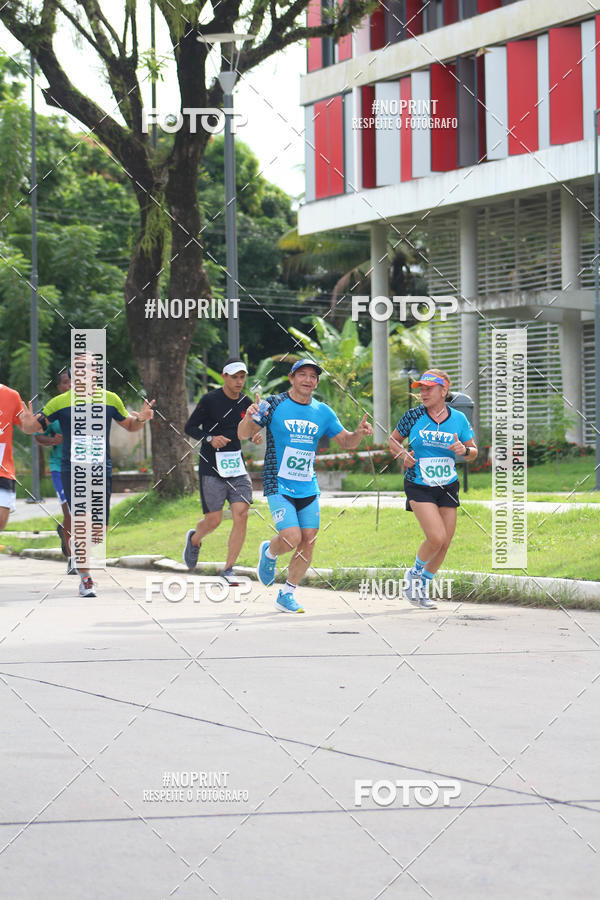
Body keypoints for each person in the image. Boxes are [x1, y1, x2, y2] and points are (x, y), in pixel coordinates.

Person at [238, 358, 373, 614]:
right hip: (278, 482)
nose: (308, 380)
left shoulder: (323, 411)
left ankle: (287, 594)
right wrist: (250, 416)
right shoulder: (272, 404)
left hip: (307, 485)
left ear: (317, 382)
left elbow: (346, 442)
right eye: (302, 374)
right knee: (292, 537)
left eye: (313, 376)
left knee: (308, 540)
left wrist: (358, 433)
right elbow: (243, 433)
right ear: (291, 378)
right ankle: (269, 552)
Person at [21, 356, 155, 598]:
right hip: (73, 470)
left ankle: (77, 545)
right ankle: (86, 579)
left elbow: (130, 425)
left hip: (101, 470)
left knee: (98, 533)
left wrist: (141, 419)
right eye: (80, 368)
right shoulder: (60, 402)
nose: (86, 372)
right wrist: (27, 423)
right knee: (81, 522)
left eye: (91, 367)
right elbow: (33, 428)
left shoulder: (110, 399)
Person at [388, 369, 477, 609]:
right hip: (419, 484)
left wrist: (464, 451)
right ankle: (414, 574)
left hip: (447, 484)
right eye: (422, 389)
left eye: (429, 389)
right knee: (436, 537)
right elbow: (393, 441)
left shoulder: (459, 419)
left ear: (443, 390)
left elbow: (473, 451)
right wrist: (403, 455)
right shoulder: (413, 416)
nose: (424, 393)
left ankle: (422, 587)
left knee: (445, 542)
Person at [182, 358, 261, 583]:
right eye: (234, 377)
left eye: (242, 377)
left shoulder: (246, 402)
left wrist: (254, 436)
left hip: (236, 466)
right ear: (225, 377)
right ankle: (195, 539)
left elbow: (247, 431)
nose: (239, 381)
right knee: (214, 520)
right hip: (211, 466)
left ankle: (228, 569)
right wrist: (210, 438)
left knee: (241, 514)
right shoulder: (210, 400)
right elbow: (190, 427)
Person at [34, 370, 72, 567]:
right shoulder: (53, 409)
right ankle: (73, 559)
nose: (69, 385)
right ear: (59, 387)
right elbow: (37, 436)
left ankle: (66, 533)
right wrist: (52, 440)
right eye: (65, 382)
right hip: (59, 467)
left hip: (83, 467)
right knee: (69, 511)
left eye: (73, 382)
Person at [0, 384, 41, 533]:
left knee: (1, 520)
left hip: (3, 469)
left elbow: (26, 428)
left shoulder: (11, 395)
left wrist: (31, 424)